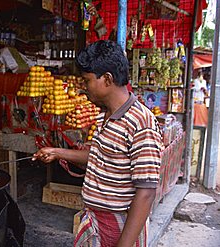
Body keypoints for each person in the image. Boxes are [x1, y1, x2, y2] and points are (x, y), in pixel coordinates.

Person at [33, 40, 162, 247]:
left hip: (121, 227)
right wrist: (57, 152)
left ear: (107, 79)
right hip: (97, 222)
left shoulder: (141, 123)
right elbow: (100, 156)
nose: (84, 88)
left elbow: (146, 192)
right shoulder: (105, 115)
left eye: (87, 81)